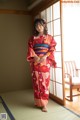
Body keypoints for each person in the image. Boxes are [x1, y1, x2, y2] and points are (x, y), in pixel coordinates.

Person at [26, 18, 56, 112]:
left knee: (44, 83)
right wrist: (35, 57)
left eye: (40, 25)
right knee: (36, 83)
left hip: (45, 62)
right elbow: (30, 49)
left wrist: (45, 56)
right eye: (36, 26)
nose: (39, 27)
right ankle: (37, 102)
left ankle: (44, 104)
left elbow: (52, 48)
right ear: (35, 27)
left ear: (44, 25)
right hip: (35, 62)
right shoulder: (32, 38)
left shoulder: (50, 38)